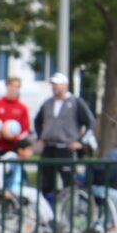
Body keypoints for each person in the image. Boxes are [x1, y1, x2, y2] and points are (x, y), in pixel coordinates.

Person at [33, 72, 97, 202]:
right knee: (46, 181)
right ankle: (48, 207)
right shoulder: (48, 103)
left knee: (68, 180)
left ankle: (69, 207)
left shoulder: (76, 102)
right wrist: (40, 137)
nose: (54, 87)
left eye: (57, 84)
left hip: (66, 148)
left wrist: (81, 142)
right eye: (53, 84)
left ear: (65, 85)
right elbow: (37, 121)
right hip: (49, 147)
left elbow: (90, 123)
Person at [0, 138, 57, 233]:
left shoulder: (18, 161)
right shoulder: (10, 161)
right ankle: (49, 221)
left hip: (17, 188)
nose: (31, 153)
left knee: (36, 195)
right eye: (29, 150)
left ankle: (49, 220)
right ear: (20, 150)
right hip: (11, 189)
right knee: (35, 194)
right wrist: (3, 190)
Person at [0, 76, 31, 158]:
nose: (14, 89)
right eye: (11, 85)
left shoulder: (22, 107)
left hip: (13, 148)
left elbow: (25, 130)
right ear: (7, 86)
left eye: (17, 86)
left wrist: (13, 137)